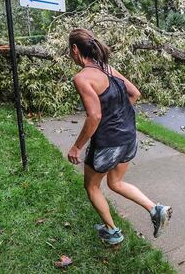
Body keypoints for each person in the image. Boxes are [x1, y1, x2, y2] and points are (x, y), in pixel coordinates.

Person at [66, 28, 171, 245]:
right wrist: (117, 115)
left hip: (107, 144)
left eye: (70, 50)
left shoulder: (82, 78)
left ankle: (113, 232)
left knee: (92, 187)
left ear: (75, 49)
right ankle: (155, 209)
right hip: (128, 138)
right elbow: (135, 93)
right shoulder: (108, 69)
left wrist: (76, 147)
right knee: (115, 182)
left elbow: (94, 116)